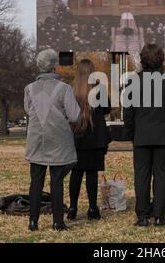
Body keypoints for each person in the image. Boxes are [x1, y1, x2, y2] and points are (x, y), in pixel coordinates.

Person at [124, 44, 165, 227]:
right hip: (163, 136)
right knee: (162, 176)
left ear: (142, 59)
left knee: (141, 176)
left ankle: (142, 216)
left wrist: (133, 134)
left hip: (141, 136)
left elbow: (128, 113)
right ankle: (159, 216)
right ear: (161, 59)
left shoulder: (133, 81)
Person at [24, 49, 80, 232]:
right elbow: (74, 117)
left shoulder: (29, 88)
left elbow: (28, 110)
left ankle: (33, 221)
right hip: (58, 139)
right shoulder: (64, 88)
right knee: (57, 181)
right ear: (55, 65)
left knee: (36, 181)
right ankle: (58, 222)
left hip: (37, 140)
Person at [68, 59, 112, 221]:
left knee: (76, 173)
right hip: (95, 138)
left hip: (76, 137)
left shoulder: (71, 89)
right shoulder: (98, 89)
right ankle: (92, 208)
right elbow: (107, 109)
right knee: (92, 174)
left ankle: (72, 208)